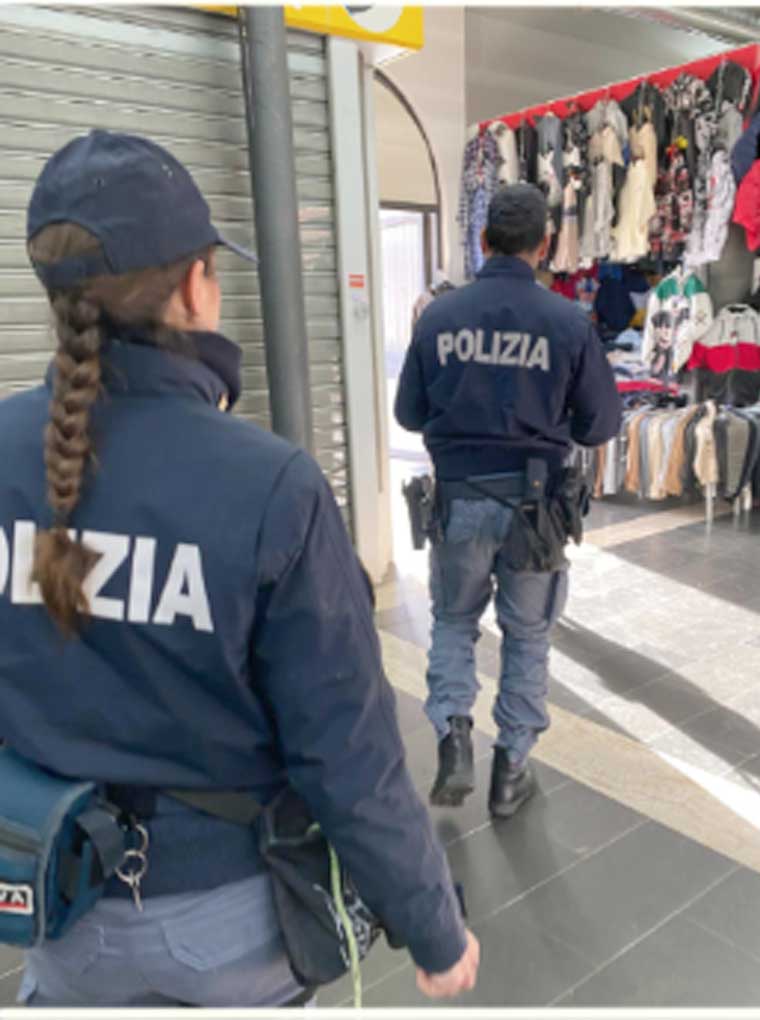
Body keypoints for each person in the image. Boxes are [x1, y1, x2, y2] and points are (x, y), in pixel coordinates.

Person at [0, 131, 478, 1005]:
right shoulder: (270, 484)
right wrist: (433, 924)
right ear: (194, 288)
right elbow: (348, 753)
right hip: (225, 922)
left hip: (52, 900)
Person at [395, 183, 621, 820]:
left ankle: (452, 737)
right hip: (536, 508)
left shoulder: (437, 318)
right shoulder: (568, 323)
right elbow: (599, 425)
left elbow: (408, 412)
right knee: (527, 636)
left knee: (453, 622)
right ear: (545, 246)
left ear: (484, 239)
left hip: (459, 500)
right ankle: (511, 770)